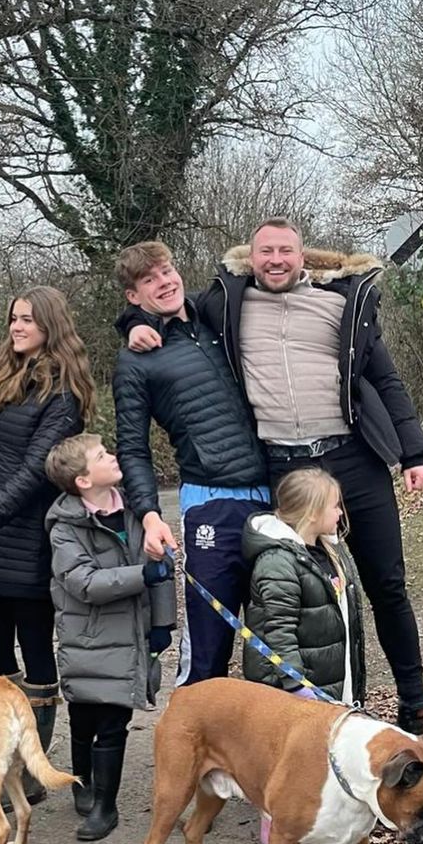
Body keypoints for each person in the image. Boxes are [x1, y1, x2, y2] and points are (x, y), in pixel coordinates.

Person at [125, 218, 423, 734]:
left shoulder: (342, 301)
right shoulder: (228, 303)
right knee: (294, 595)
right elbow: (167, 307)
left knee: (386, 584)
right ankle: (304, 713)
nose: (275, 260)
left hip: (353, 459)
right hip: (284, 468)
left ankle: (415, 704)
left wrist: (415, 452)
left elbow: (385, 378)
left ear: (302, 257)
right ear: (251, 257)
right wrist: (134, 323)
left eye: (285, 252)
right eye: (265, 251)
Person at [0, 286, 96, 807]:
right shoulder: (2, 377)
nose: (17, 327)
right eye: (13, 319)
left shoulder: (64, 393)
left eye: (27, 319)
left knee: (35, 653)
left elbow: (33, 474)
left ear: (51, 323)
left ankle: (33, 771)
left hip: (29, 535)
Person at [112, 241, 269, 688]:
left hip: (274, 498)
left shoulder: (217, 319)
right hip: (210, 505)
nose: (164, 283)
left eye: (167, 271)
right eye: (148, 280)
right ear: (133, 296)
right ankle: (189, 748)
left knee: (277, 635)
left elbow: (254, 270)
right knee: (208, 645)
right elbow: (133, 448)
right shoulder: (134, 361)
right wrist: (149, 514)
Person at [44, 433, 177, 841]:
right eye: (102, 456)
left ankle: (105, 805)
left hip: (131, 638)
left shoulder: (139, 514)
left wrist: (162, 625)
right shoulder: (64, 527)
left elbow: (162, 570)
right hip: (87, 639)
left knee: (115, 722)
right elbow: (83, 582)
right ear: (83, 480)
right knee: (84, 718)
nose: (114, 457)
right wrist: (143, 574)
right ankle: (81, 781)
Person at [243, 466, 365, 844]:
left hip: (329, 670)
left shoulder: (328, 549)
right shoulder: (278, 562)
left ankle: (315, 818)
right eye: (334, 506)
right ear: (312, 512)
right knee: (284, 758)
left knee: (316, 755)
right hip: (294, 685)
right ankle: (274, 826)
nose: (340, 514)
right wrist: (295, 683)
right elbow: (276, 631)